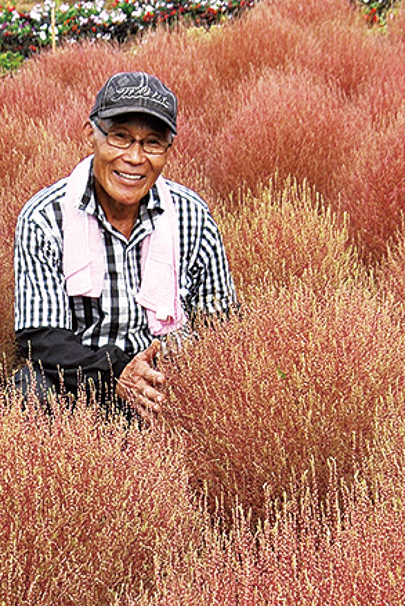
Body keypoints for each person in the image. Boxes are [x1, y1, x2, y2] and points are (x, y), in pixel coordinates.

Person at [12, 70, 237, 422]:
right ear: (91, 135)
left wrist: (178, 378)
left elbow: (220, 323)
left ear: (167, 150)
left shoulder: (191, 214)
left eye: (152, 143)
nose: (135, 157)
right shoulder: (45, 217)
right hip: (85, 378)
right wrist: (115, 374)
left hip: (170, 380)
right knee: (28, 391)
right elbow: (42, 337)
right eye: (120, 137)